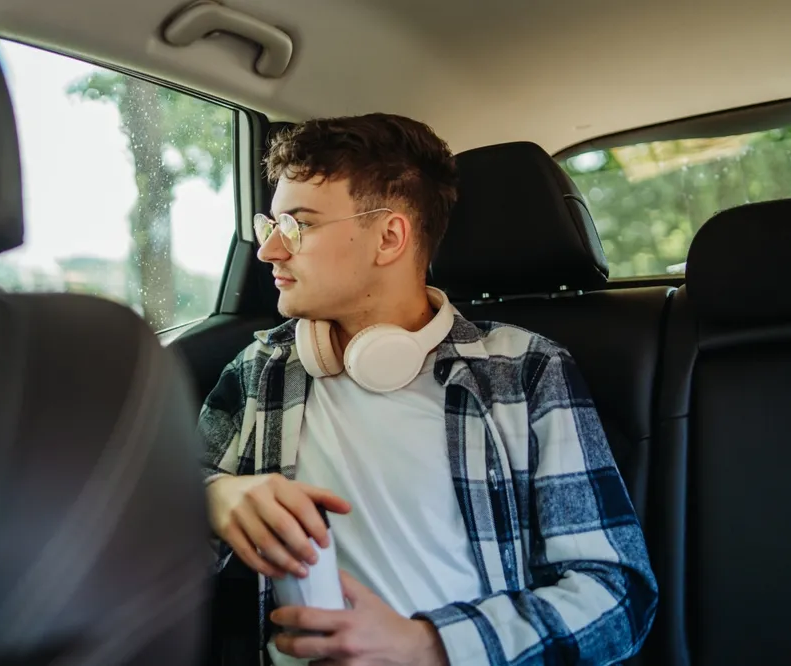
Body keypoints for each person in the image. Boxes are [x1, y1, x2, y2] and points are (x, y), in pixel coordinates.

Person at [199, 113, 657, 666]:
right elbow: (151, 532)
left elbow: (618, 595)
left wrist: (428, 646)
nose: (270, 251)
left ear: (389, 237)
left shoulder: (524, 370)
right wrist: (212, 497)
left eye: (298, 226)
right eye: (268, 226)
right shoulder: (261, 368)